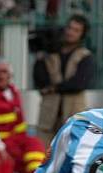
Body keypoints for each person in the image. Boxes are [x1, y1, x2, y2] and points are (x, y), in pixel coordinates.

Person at [33, 15, 94, 146]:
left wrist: (54, 88)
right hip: (48, 116)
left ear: (82, 34)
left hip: (73, 115)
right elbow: (40, 80)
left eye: (76, 30)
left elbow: (79, 83)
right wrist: (40, 56)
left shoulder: (85, 56)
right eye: (69, 28)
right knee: (42, 155)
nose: (71, 32)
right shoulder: (50, 54)